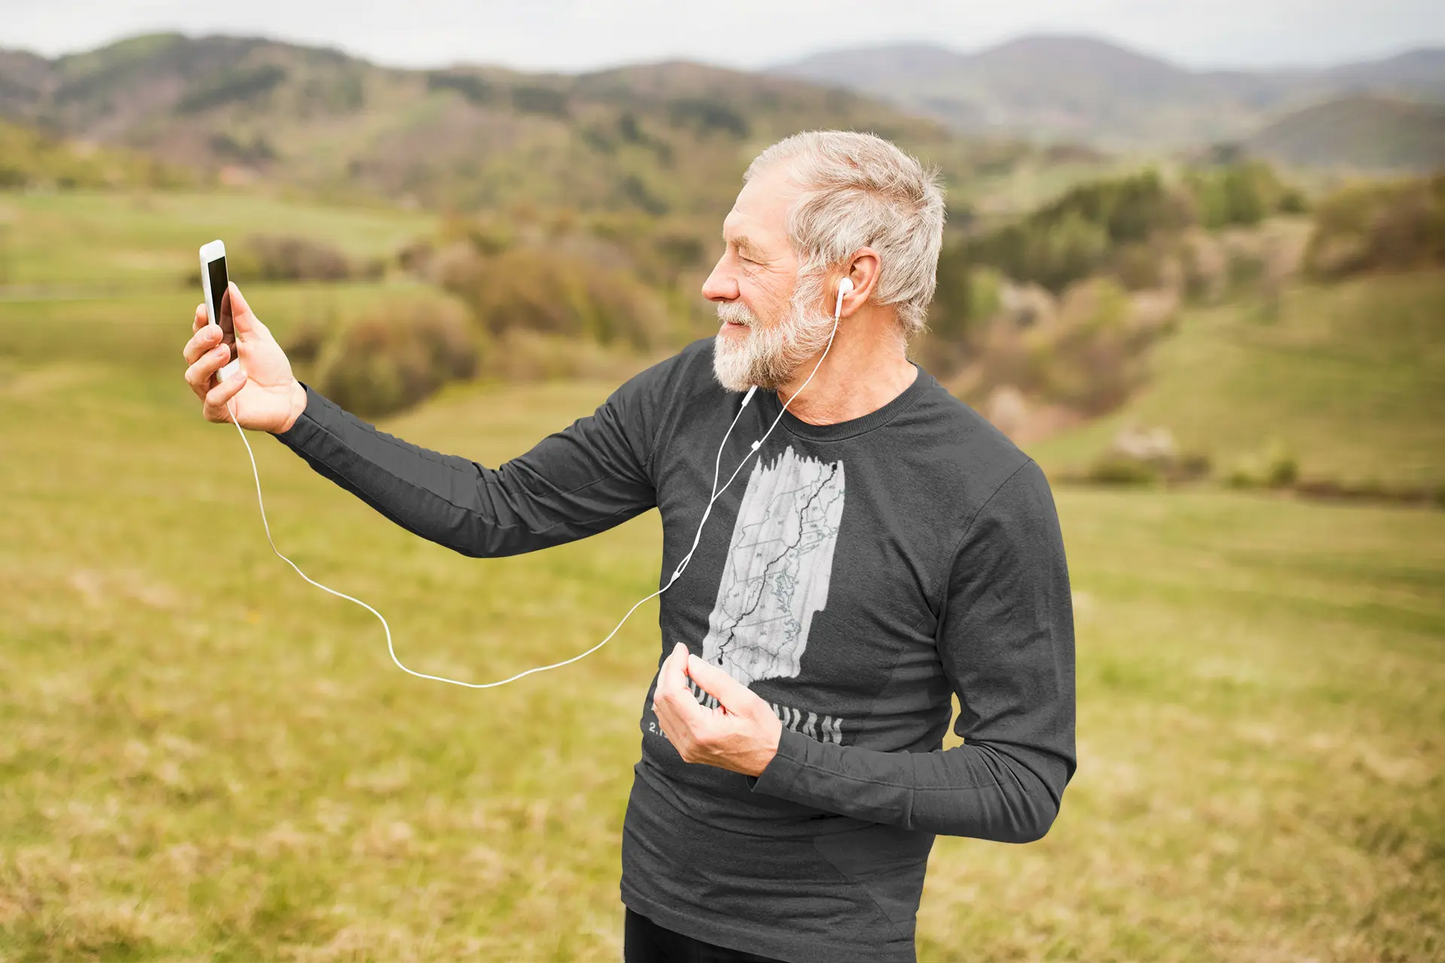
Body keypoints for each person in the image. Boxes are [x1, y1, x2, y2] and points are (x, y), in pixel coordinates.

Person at [181, 129, 1076, 963]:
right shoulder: (691, 393)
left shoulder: (985, 491)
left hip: (826, 933)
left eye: (746, 256)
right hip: (659, 896)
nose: (712, 283)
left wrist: (779, 757)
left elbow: (1020, 779)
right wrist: (296, 411)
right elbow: (495, 508)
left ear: (852, 278)